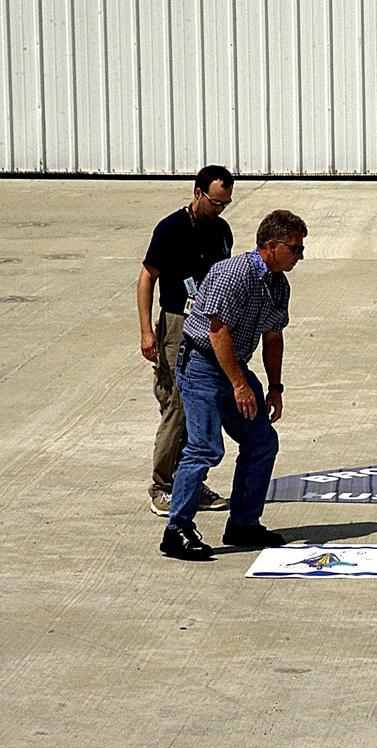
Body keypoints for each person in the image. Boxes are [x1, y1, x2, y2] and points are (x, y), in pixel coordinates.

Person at [160, 210, 308, 560]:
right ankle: (176, 529)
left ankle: (243, 523)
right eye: (295, 249)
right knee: (205, 448)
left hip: (234, 367)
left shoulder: (277, 285)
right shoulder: (232, 275)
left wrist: (275, 387)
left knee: (262, 442)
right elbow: (217, 332)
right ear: (271, 246)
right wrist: (240, 386)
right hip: (201, 366)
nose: (300, 256)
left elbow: (273, 337)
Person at [137, 165, 236, 517]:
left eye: (225, 203)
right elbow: (147, 276)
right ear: (197, 193)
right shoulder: (171, 229)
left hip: (209, 323)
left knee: (202, 405)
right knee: (177, 406)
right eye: (215, 202)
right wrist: (148, 330)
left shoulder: (222, 231)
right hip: (177, 322)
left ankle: (190, 481)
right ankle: (162, 486)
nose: (219, 209)